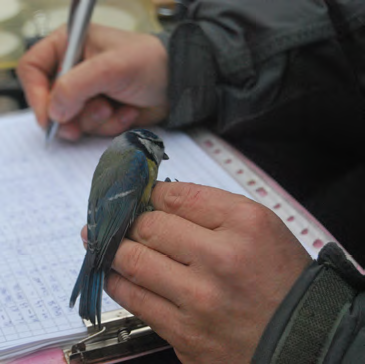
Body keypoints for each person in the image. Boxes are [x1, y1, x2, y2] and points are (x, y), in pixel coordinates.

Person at [16, 0, 365, 363]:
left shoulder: (125, 158)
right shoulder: (134, 161)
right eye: (157, 150)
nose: (160, 157)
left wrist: (316, 335)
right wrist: (189, 62)